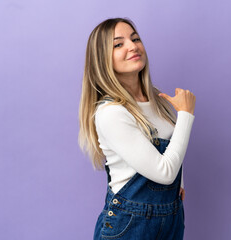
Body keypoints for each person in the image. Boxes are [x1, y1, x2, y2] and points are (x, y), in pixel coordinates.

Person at [78, 17, 196, 240]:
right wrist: (186, 115)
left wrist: (181, 183)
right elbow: (164, 172)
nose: (132, 46)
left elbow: (172, 147)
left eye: (135, 38)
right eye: (118, 44)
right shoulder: (112, 112)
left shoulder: (158, 99)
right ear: (102, 59)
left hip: (171, 219)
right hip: (130, 225)